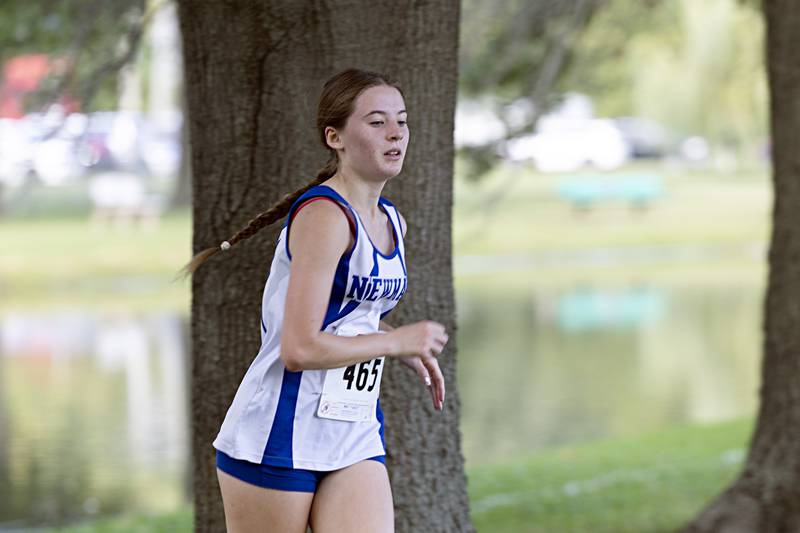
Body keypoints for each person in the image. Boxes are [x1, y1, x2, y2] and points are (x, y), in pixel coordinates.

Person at [184, 68, 450, 533]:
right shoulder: (325, 216)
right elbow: (299, 349)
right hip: (278, 434)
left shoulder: (392, 221)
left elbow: (349, 316)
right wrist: (395, 343)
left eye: (402, 121)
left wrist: (401, 346)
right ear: (336, 137)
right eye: (376, 122)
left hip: (351, 431)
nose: (395, 133)